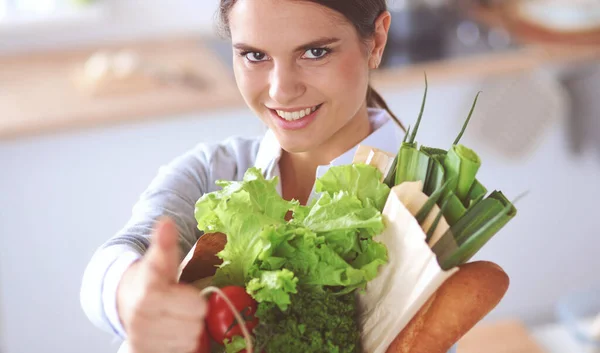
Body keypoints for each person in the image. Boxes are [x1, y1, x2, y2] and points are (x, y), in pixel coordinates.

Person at [80, 1, 457, 352]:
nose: (281, 90)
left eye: (315, 52)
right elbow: (116, 258)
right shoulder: (213, 171)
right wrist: (130, 292)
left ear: (376, 40)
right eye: (255, 55)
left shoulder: (424, 210)